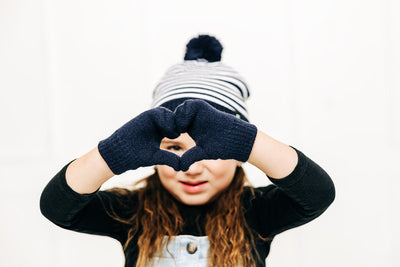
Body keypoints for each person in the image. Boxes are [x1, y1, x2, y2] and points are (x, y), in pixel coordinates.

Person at [40, 34, 335, 267]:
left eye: (210, 152)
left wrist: (252, 142)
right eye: (173, 148)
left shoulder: (258, 211)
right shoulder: (132, 212)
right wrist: (112, 154)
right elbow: (57, 208)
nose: (191, 167)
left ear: (240, 154)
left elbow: (317, 194)